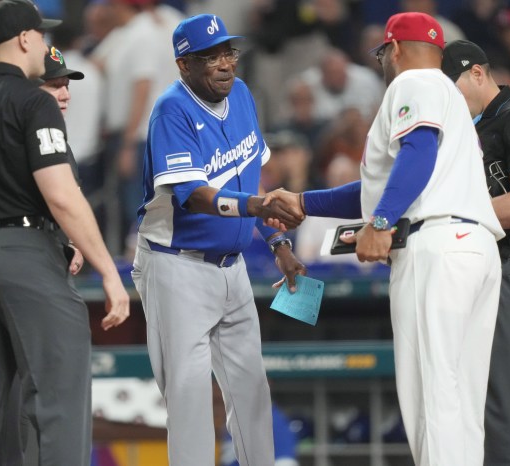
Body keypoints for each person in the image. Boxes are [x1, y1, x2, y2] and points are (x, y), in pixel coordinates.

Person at [265, 12, 504, 466]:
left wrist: (380, 222)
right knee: (461, 402)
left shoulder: (412, 83)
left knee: (432, 397)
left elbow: (416, 154)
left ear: (393, 49)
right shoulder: (448, 97)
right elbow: (389, 180)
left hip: (436, 248)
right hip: (471, 247)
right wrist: (303, 202)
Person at [0, 1, 130, 464]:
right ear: (23, 39)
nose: (45, 42)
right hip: (24, 253)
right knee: (59, 397)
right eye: (41, 35)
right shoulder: (33, 100)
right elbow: (61, 195)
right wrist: (109, 274)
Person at [130, 13, 306, 466]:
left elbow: (252, 175)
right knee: (189, 400)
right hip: (177, 265)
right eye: (211, 56)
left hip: (233, 267)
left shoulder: (243, 95)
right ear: (184, 64)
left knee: (252, 391)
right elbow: (193, 196)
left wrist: (277, 243)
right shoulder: (172, 108)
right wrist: (257, 207)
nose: (225, 63)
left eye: (228, 51)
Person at [441, 39, 510, 466]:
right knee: (474, 406)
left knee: (502, 408)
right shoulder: (470, 127)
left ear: (476, 73)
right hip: (479, 272)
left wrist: (447, 216)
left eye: (451, 85)